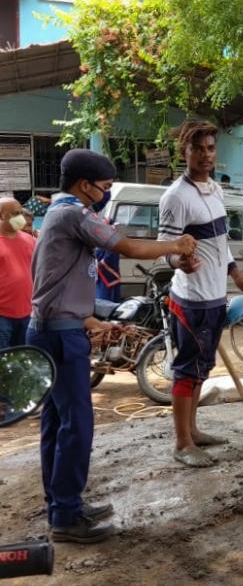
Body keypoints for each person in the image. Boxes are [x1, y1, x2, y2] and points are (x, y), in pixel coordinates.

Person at [29, 149, 196, 543]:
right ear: (84, 185)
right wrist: (180, 245)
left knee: (57, 421)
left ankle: (63, 502)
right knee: (76, 424)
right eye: (103, 187)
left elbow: (54, 283)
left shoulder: (57, 215)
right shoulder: (74, 214)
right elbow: (129, 247)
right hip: (59, 337)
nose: (104, 194)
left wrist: (86, 318)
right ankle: (66, 517)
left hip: (55, 328)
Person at [158, 120, 243, 468]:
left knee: (202, 368)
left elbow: (219, 242)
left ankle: (194, 430)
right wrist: (178, 262)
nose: (205, 155)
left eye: (210, 148)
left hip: (216, 296)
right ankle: (182, 443)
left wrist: (236, 273)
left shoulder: (215, 190)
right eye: (197, 148)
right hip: (191, 299)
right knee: (187, 369)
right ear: (184, 151)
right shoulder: (175, 197)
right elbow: (164, 247)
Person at [0, 197, 37, 349]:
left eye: (20, 213)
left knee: (22, 361)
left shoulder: (30, 241)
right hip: (2, 316)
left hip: (27, 313)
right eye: (15, 214)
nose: (20, 218)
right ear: (1, 216)